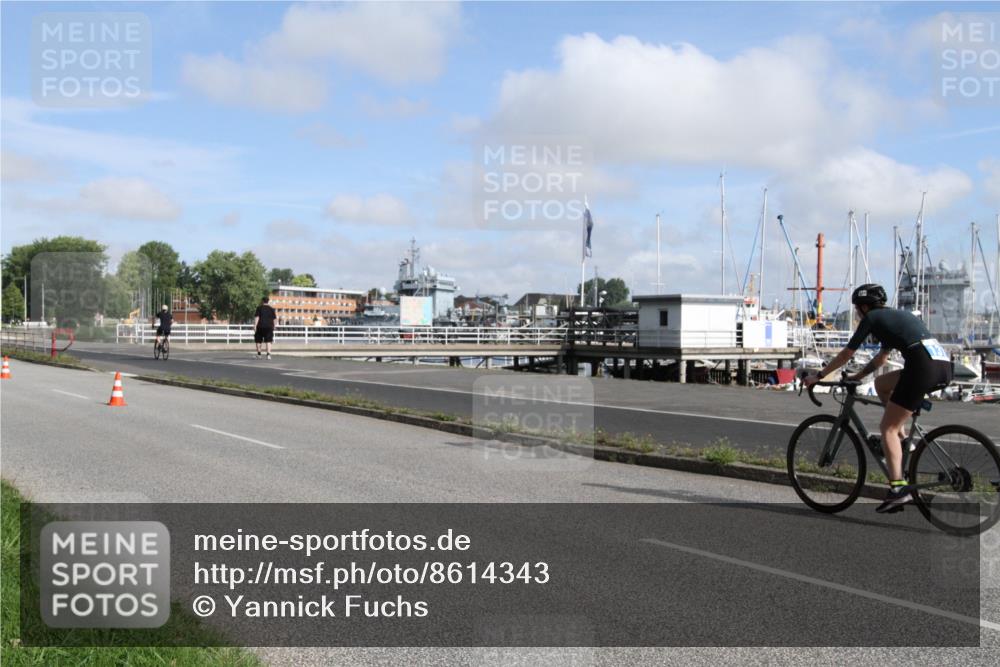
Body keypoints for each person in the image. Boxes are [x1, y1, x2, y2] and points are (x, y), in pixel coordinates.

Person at [803, 284, 953, 513]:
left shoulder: (872, 318)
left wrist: (819, 376)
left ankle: (897, 489)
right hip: (942, 367)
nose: (857, 313)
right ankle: (904, 440)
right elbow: (882, 358)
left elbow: (847, 353)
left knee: (887, 429)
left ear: (864, 307)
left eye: (857, 308)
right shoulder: (894, 317)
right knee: (881, 384)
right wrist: (857, 377)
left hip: (922, 369)